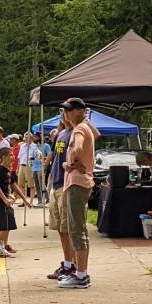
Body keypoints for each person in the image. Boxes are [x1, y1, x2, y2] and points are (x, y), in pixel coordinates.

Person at [59, 98, 98, 289]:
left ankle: (81, 275)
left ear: (81, 111)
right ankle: (81, 272)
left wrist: (72, 160)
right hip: (80, 181)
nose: (66, 113)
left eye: (70, 110)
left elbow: (78, 147)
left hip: (77, 183)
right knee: (79, 228)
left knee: (76, 229)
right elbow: (96, 135)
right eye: (65, 110)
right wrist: (72, 163)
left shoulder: (79, 129)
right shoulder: (86, 126)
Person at [44, 119, 76, 279]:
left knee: (68, 227)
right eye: (61, 111)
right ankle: (68, 263)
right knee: (60, 227)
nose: (63, 114)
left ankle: (75, 266)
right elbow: (55, 156)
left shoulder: (76, 133)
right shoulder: (60, 134)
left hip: (66, 185)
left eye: (67, 110)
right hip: (56, 183)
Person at [0, 147, 29, 257]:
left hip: (6, 202)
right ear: (4, 157)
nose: (13, 157)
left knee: (7, 223)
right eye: (11, 155)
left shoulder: (9, 172)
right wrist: (4, 198)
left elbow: (13, 185)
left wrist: (24, 199)